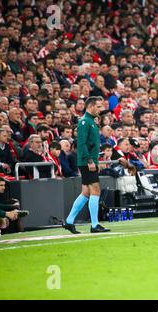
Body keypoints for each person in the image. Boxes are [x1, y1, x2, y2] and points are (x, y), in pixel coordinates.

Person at [63, 97, 110, 234]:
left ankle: (69, 221)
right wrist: (90, 161)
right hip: (86, 161)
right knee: (95, 190)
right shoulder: (84, 122)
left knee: (86, 192)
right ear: (91, 106)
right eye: (98, 107)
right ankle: (94, 225)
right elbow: (81, 144)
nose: (100, 110)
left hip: (89, 160)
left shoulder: (91, 121)